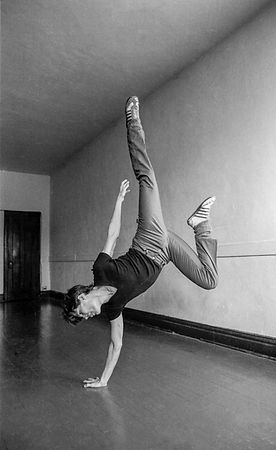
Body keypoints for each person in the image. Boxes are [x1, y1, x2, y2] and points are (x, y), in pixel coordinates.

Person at [63, 96, 218, 388]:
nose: (88, 317)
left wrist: (120, 200)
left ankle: (132, 119)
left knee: (147, 178)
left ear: (81, 297)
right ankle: (200, 224)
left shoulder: (101, 271)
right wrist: (103, 380)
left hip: (149, 238)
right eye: (83, 319)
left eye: (81, 314)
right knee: (209, 280)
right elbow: (116, 344)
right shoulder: (112, 309)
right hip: (166, 253)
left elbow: (112, 234)